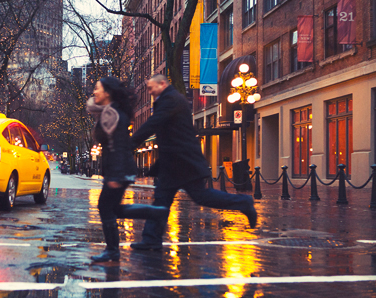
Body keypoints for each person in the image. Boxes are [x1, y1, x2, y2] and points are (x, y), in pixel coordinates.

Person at [130, 74, 257, 251]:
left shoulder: (171, 99)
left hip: (183, 161)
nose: (150, 92)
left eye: (151, 88)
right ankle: (151, 239)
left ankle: (243, 202)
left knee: (200, 197)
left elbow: (153, 122)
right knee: (161, 201)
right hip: (174, 162)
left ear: (162, 83)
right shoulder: (169, 99)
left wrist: (130, 143)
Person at [87, 77, 169, 262]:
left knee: (104, 207)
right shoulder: (108, 111)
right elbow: (93, 106)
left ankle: (113, 251)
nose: (94, 92)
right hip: (118, 168)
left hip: (119, 169)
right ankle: (155, 212)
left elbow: (118, 146)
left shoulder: (113, 115)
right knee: (113, 209)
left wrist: (115, 174)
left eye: (97, 88)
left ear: (108, 92)